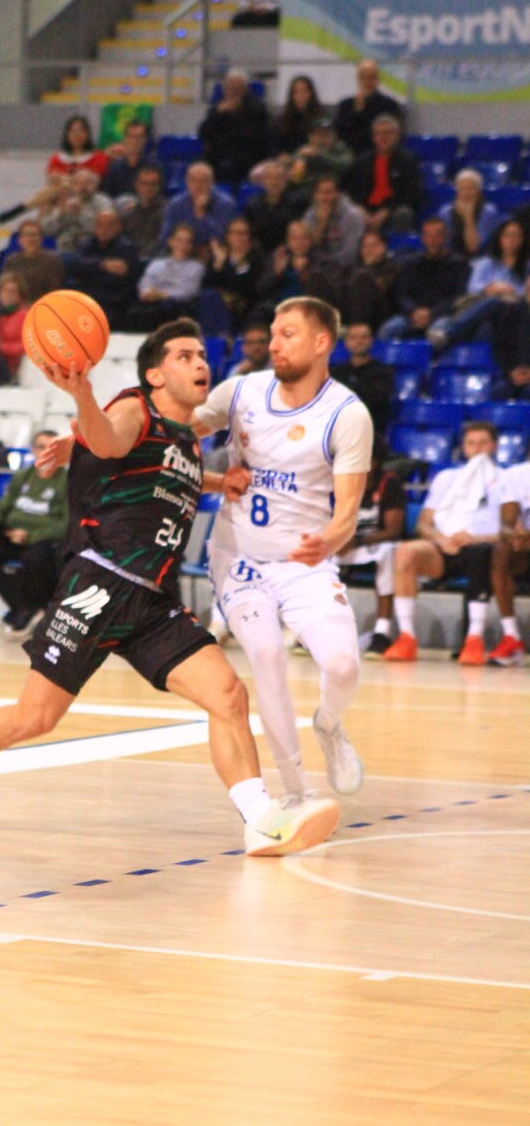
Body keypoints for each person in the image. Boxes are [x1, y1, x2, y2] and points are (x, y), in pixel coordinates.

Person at [0, 318, 341, 857]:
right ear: (154, 374)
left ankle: (260, 820)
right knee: (36, 717)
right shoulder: (133, 407)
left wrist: (219, 481)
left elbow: (159, 469)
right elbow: (107, 439)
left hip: (151, 602)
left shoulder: (186, 441)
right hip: (97, 583)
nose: (200, 363)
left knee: (228, 694)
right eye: (185, 356)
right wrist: (82, 395)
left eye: (201, 354)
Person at [193, 296, 373, 805]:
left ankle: (329, 725)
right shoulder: (242, 391)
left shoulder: (347, 413)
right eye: (272, 331)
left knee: (342, 666)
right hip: (239, 557)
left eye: (288, 333)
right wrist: (208, 478)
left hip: (302, 560)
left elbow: (348, 512)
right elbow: (176, 432)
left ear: (321, 343)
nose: (273, 342)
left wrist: (329, 542)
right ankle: (295, 793)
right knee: (267, 656)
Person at [383, 421, 502, 665]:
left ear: (495, 446)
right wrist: (441, 539)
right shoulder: (447, 478)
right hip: (445, 547)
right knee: (406, 551)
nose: (477, 448)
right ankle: (406, 637)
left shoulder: (507, 479)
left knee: (483, 552)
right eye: (471, 443)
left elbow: (513, 531)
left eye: (483, 443)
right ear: (463, 448)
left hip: (487, 548)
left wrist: (475, 538)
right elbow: (423, 524)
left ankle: (474, 640)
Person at [0, 430, 68, 634]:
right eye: (41, 446)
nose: (46, 452)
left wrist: (29, 536)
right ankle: (23, 606)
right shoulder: (22, 476)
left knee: (35, 558)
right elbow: (3, 508)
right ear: (33, 450)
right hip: (13, 537)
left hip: (46, 542)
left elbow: (66, 524)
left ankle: (23, 609)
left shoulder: (67, 481)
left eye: (52, 447)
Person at [335, 436, 406, 656]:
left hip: (376, 543)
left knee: (388, 555)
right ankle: (322, 628)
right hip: (348, 542)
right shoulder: (342, 481)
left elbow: (393, 530)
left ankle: (382, 631)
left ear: (375, 461)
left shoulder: (389, 483)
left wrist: (355, 540)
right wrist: (336, 540)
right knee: (321, 558)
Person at [427, 220, 530, 352]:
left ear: (523, 239)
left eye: (517, 236)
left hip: (512, 311)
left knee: (495, 301)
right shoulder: (486, 263)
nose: (512, 240)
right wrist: (490, 288)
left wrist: (509, 290)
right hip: (481, 310)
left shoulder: (527, 266)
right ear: (500, 238)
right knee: (477, 326)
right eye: (508, 235)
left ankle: (448, 333)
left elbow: (526, 294)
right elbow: (473, 287)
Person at [378, 216, 469, 340]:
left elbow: (459, 298)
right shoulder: (411, 263)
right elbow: (401, 293)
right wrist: (413, 311)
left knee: (437, 333)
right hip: (412, 315)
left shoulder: (459, 264)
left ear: (446, 237)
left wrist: (432, 313)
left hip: (443, 315)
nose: (433, 240)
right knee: (387, 330)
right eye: (428, 235)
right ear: (423, 238)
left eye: (438, 235)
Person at [62, 207, 140, 332]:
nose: (104, 229)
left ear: (118, 227)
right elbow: (74, 266)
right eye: (100, 225)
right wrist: (103, 265)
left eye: (109, 225)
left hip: (112, 301)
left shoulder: (126, 248)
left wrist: (90, 271)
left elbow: (116, 280)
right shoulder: (86, 244)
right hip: (86, 297)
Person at [343, 114, 423, 233]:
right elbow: (352, 190)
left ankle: (400, 249)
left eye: (387, 133)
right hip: (366, 209)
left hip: (394, 208)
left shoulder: (408, 161)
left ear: (397, 135)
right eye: (378, 133)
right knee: (350, 214)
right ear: (373, 137)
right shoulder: (362, 162)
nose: (383, 137)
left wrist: (387, 210)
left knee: (403, 214)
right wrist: (360, 209)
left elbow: (413, 194)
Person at [488, 457, 529, 666]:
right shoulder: (517, 474)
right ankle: (511, 637)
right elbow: (505, 524)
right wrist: (515, 535)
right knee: (501, 551)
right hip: (525, 548)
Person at [197, 71, 271, 187]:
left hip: (246, 156)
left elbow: (254, 137)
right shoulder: (216, 110)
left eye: (237, 89)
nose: (232, 93)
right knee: (199, 167)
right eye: (229, 89)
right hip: (218, 155)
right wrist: (217, 115)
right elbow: (204, 134)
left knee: (230, 167)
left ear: (244, 90)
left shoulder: (257, 110)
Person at [128, 223, 204, 331]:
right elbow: (145, 284)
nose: (183, 245)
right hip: (152, 304)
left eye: (188, 242)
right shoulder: (156, 264)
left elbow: (187, 292)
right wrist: (148, 293)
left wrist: (161, 295)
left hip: (178, 308)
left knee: (167, 307)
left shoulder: (196, 267)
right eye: (179, 241)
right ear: (171, 242)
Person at [158, 161, 237, 260]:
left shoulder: (226, 204)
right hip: (183, 254)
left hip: (214, 255)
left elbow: (224, 238)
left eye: (203, 181)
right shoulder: (175, 204)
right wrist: (190, 249)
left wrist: (202, 214)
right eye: (193, 180)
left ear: (212, 182)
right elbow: (165, 237)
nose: (198, 185)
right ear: (187, 182)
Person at [203, 217, 266, 333]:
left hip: (245, 305)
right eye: (234, 233)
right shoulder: (219, 257)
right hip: (220, 304)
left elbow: (250, 287)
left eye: (243, 233)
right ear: (228, 236)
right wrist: (219, 264)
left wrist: (239, 262)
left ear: (249, 236)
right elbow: (207, 284)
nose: (238, 237)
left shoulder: (256, 258)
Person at [331, 321, 394, 434]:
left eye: (363, 337)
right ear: (346, 342)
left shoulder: (383, 372)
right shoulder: (336, 372)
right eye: (353, 338)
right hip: (340, 430)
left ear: (371, 340)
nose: (358, 342)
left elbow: (375, 401)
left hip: (371, 431)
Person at [333, 59, 404, 158]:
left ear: (378, 79)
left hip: (378, 154)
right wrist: (357, 111)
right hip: (349, 155)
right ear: (358, 79)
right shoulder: (346, 105)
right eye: (363, 77)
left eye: (372, 77)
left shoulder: (389, 105)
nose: (367, 82)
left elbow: (394, 134)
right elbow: (339, 133)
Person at [38, 168, 113, 253]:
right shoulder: (66, 201)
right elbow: (46, 231)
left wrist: (80, 214)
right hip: (66, 249)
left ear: (95, 185)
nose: (83, 187)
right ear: (73, 186)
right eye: (78, 184)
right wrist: (61, 215)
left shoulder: (103, 201)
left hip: (94, 247)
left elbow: (106, 229)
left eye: (88, 183)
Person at [303, 174, 366, 272]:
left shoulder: (353, 216)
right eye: (320, 192)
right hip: (317, 268)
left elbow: (351, 253)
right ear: (314, 195)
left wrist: (326, 265)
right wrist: (321, 223)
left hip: (346, 269)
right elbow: (306, 248)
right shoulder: (310, 215)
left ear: (338, 194)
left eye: (329, 192)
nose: (324, 197)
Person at [244, 159, 308, 254]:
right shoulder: (252, 204)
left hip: (291, 252)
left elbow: (302, 234)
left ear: (286, 180)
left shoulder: (298, 202)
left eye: (279, 177)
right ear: (263, 180)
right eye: (269, 178)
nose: (274, 182)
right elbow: (250, 234)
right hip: (261, 254)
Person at [435, 169, 501, 261]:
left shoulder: (489, 212)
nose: (466, 193)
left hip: (480, 260)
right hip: (451, 262)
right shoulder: (445, 212)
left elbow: (473, 248)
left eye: (471, 188)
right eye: (462, 188)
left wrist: (468, 217)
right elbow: (444, 244)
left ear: (478, 191)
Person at [288, 118, 354, 199]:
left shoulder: (340, 149)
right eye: (317, 135)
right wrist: (297, 160)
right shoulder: (304, 150)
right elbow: (293, 174)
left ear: (334, 135)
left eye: (326, 134)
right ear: (310, 137)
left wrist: (319, 155)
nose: (321, 138)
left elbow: (346, 165)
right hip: (307, 189)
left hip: (332, 190)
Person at [1, 220, 65, 304]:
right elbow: (6, 287)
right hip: (17, 308)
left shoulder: (53, 261)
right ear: (20, 240)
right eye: (27, 235)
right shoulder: (11, 261)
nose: (31, 239)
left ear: (41, 238)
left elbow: (55, 291)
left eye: (34, 235)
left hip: (44, 307)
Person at [120, 164, 167, 261]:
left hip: (155, 260)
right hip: (130, 260)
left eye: (153, 184)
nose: (148, 188)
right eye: (144, 184)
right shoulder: (127, 213)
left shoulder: (168, 213)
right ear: (136, 185)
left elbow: (163, 243)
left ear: (159, 186)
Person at [101, 119, 154, 200]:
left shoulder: (154, 167)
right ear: (125, 139)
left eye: (140, 137)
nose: (136, 141)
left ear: (145, 140)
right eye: (132, 137)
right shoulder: (114, 166)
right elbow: (107, 196)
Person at [273, 75, 324, 155]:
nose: (300, 95)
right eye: (296, 92)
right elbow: (274, 145)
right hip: (288, 162)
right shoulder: (282, 119)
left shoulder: (321, 118)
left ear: (311, 93)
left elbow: (326, 145)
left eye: (304, 91)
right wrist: (281, 155)